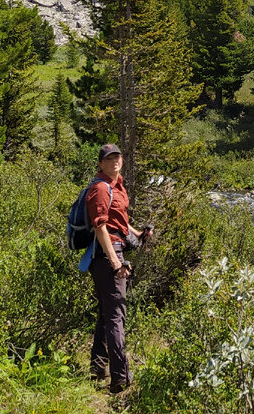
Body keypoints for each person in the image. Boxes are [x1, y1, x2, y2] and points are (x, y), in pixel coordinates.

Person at [85, 143, 152, 394]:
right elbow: (100, 227)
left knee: (106, 313)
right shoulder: (100, 189)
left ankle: (97, 367)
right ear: (101, 163)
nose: (114, 161)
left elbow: (119, 222)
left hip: (114, 251)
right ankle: (120, 378)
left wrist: (138, 234)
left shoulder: (118, 186)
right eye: (109, 158)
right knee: (116, 316)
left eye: (117, 157)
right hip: (107, 256)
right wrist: (116, 263)